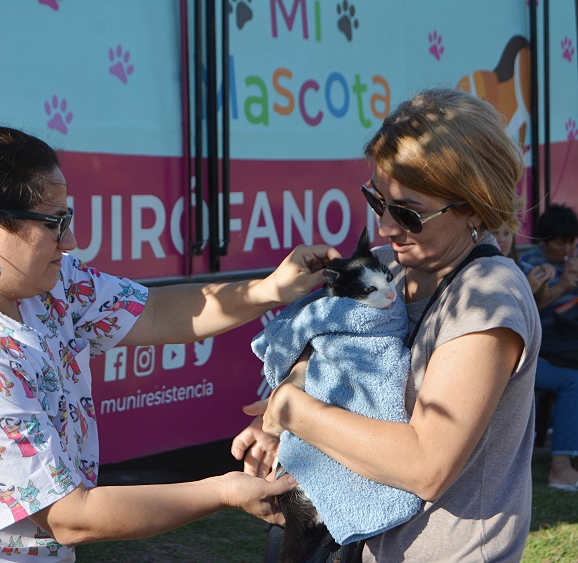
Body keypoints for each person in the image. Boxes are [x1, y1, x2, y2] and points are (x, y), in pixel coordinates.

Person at [0, 126, 341, 562]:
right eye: (54, 222)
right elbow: (71, 516)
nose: (71, 241)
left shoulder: (33, 280)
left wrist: (272, 288)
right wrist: (222, 492)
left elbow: (153, 313)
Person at [232, 88, 541, 561]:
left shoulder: (487, 297)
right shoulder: (385, 266)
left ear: (476, 207)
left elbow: (425, 465)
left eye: (408, 213)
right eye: (378, 202)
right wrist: (275, 424)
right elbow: (325, 344)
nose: (386, 228)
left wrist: (291, 409)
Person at [518, 203, 578, 491]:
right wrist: (566, 283)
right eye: (560, 241)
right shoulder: (530, 264)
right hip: (535, 355)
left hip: (565, 350)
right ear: (543, 241)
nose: (566, 247)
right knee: (572, 381)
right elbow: (529, 308)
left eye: (571, 240)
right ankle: (560, 466)